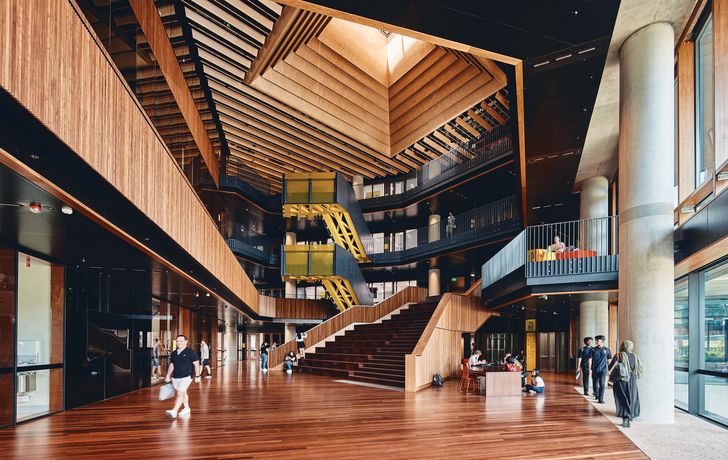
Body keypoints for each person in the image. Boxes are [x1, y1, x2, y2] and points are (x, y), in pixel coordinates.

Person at [164, 334, 200, 419]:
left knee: (180, 393)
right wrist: (168, 375)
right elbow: (172, 365)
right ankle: (187, 408)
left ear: (186, 342)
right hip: (176, 377)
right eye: (177, 341)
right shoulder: (174, 353)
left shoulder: (190, 352)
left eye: (181, 341)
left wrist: (197, 375)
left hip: (186, 376)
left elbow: (196, 364)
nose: (179, 343)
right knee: (183, 392)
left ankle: (174, 411)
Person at [609, 340, 641, 427]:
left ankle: (626, 419)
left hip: (622, 379)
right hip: (632, 379)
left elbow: (610, 367)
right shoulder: (635, 356)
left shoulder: (619, 355)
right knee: (632, 397)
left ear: (622, 346)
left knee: (623, 398)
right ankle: (631, 416)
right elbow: (638, 369)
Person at [588, 335, 612, 404]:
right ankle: (596, 394)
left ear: (602, 341)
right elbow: (590, 360)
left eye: (597, 340)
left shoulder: (607, 350)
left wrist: (609, 370)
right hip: (594, 369)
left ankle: (600, 399)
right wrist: (590, 369)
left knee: (602, 384)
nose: (595, 342)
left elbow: (609, 360)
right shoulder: (592, 350)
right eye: (596, 340)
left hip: (603, 370)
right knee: (595, 384)